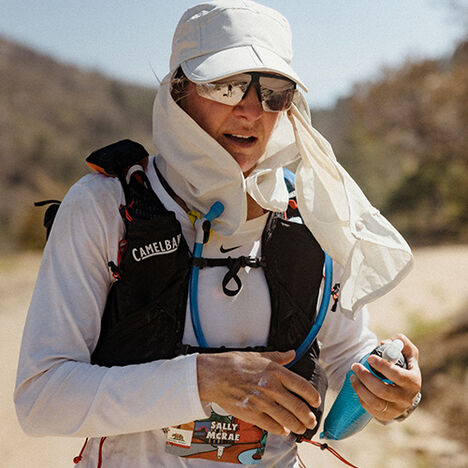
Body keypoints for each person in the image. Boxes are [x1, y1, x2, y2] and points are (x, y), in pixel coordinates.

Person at [14, 1, 422, 467]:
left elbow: (349, 350)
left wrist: (392, 390)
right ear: (179, 91)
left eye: (273, 91)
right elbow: (40, 399)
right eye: (226, 85)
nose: (250, 110)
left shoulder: (314, 210)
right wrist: (203, 379)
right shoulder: (104, 206)